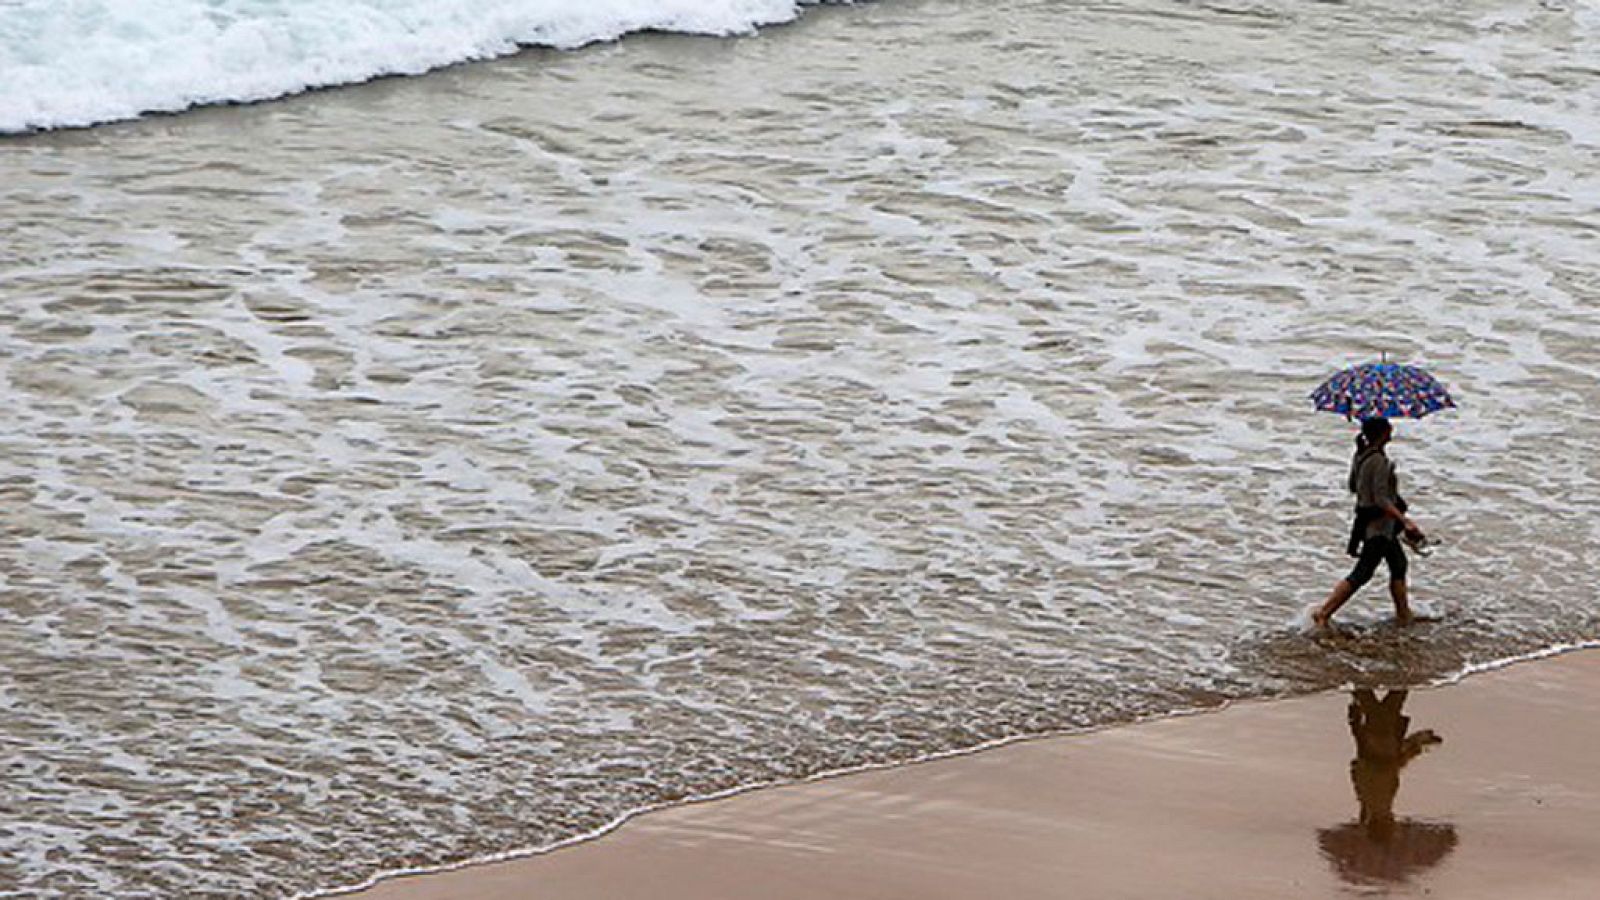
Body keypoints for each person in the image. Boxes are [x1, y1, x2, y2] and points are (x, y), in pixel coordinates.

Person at [1313, 417, 1426, 629]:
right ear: (1383, 433)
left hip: (1369, 522)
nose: (1392, 429)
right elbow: (1382, 499)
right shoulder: (1380, 462)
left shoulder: (1361, 456)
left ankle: (1403, 614)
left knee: (1399, 564)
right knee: (1363, 572)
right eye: (1388, 427)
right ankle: (1324, 612)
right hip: (1380, 525)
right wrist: (1405, 521)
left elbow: (1354, 487)